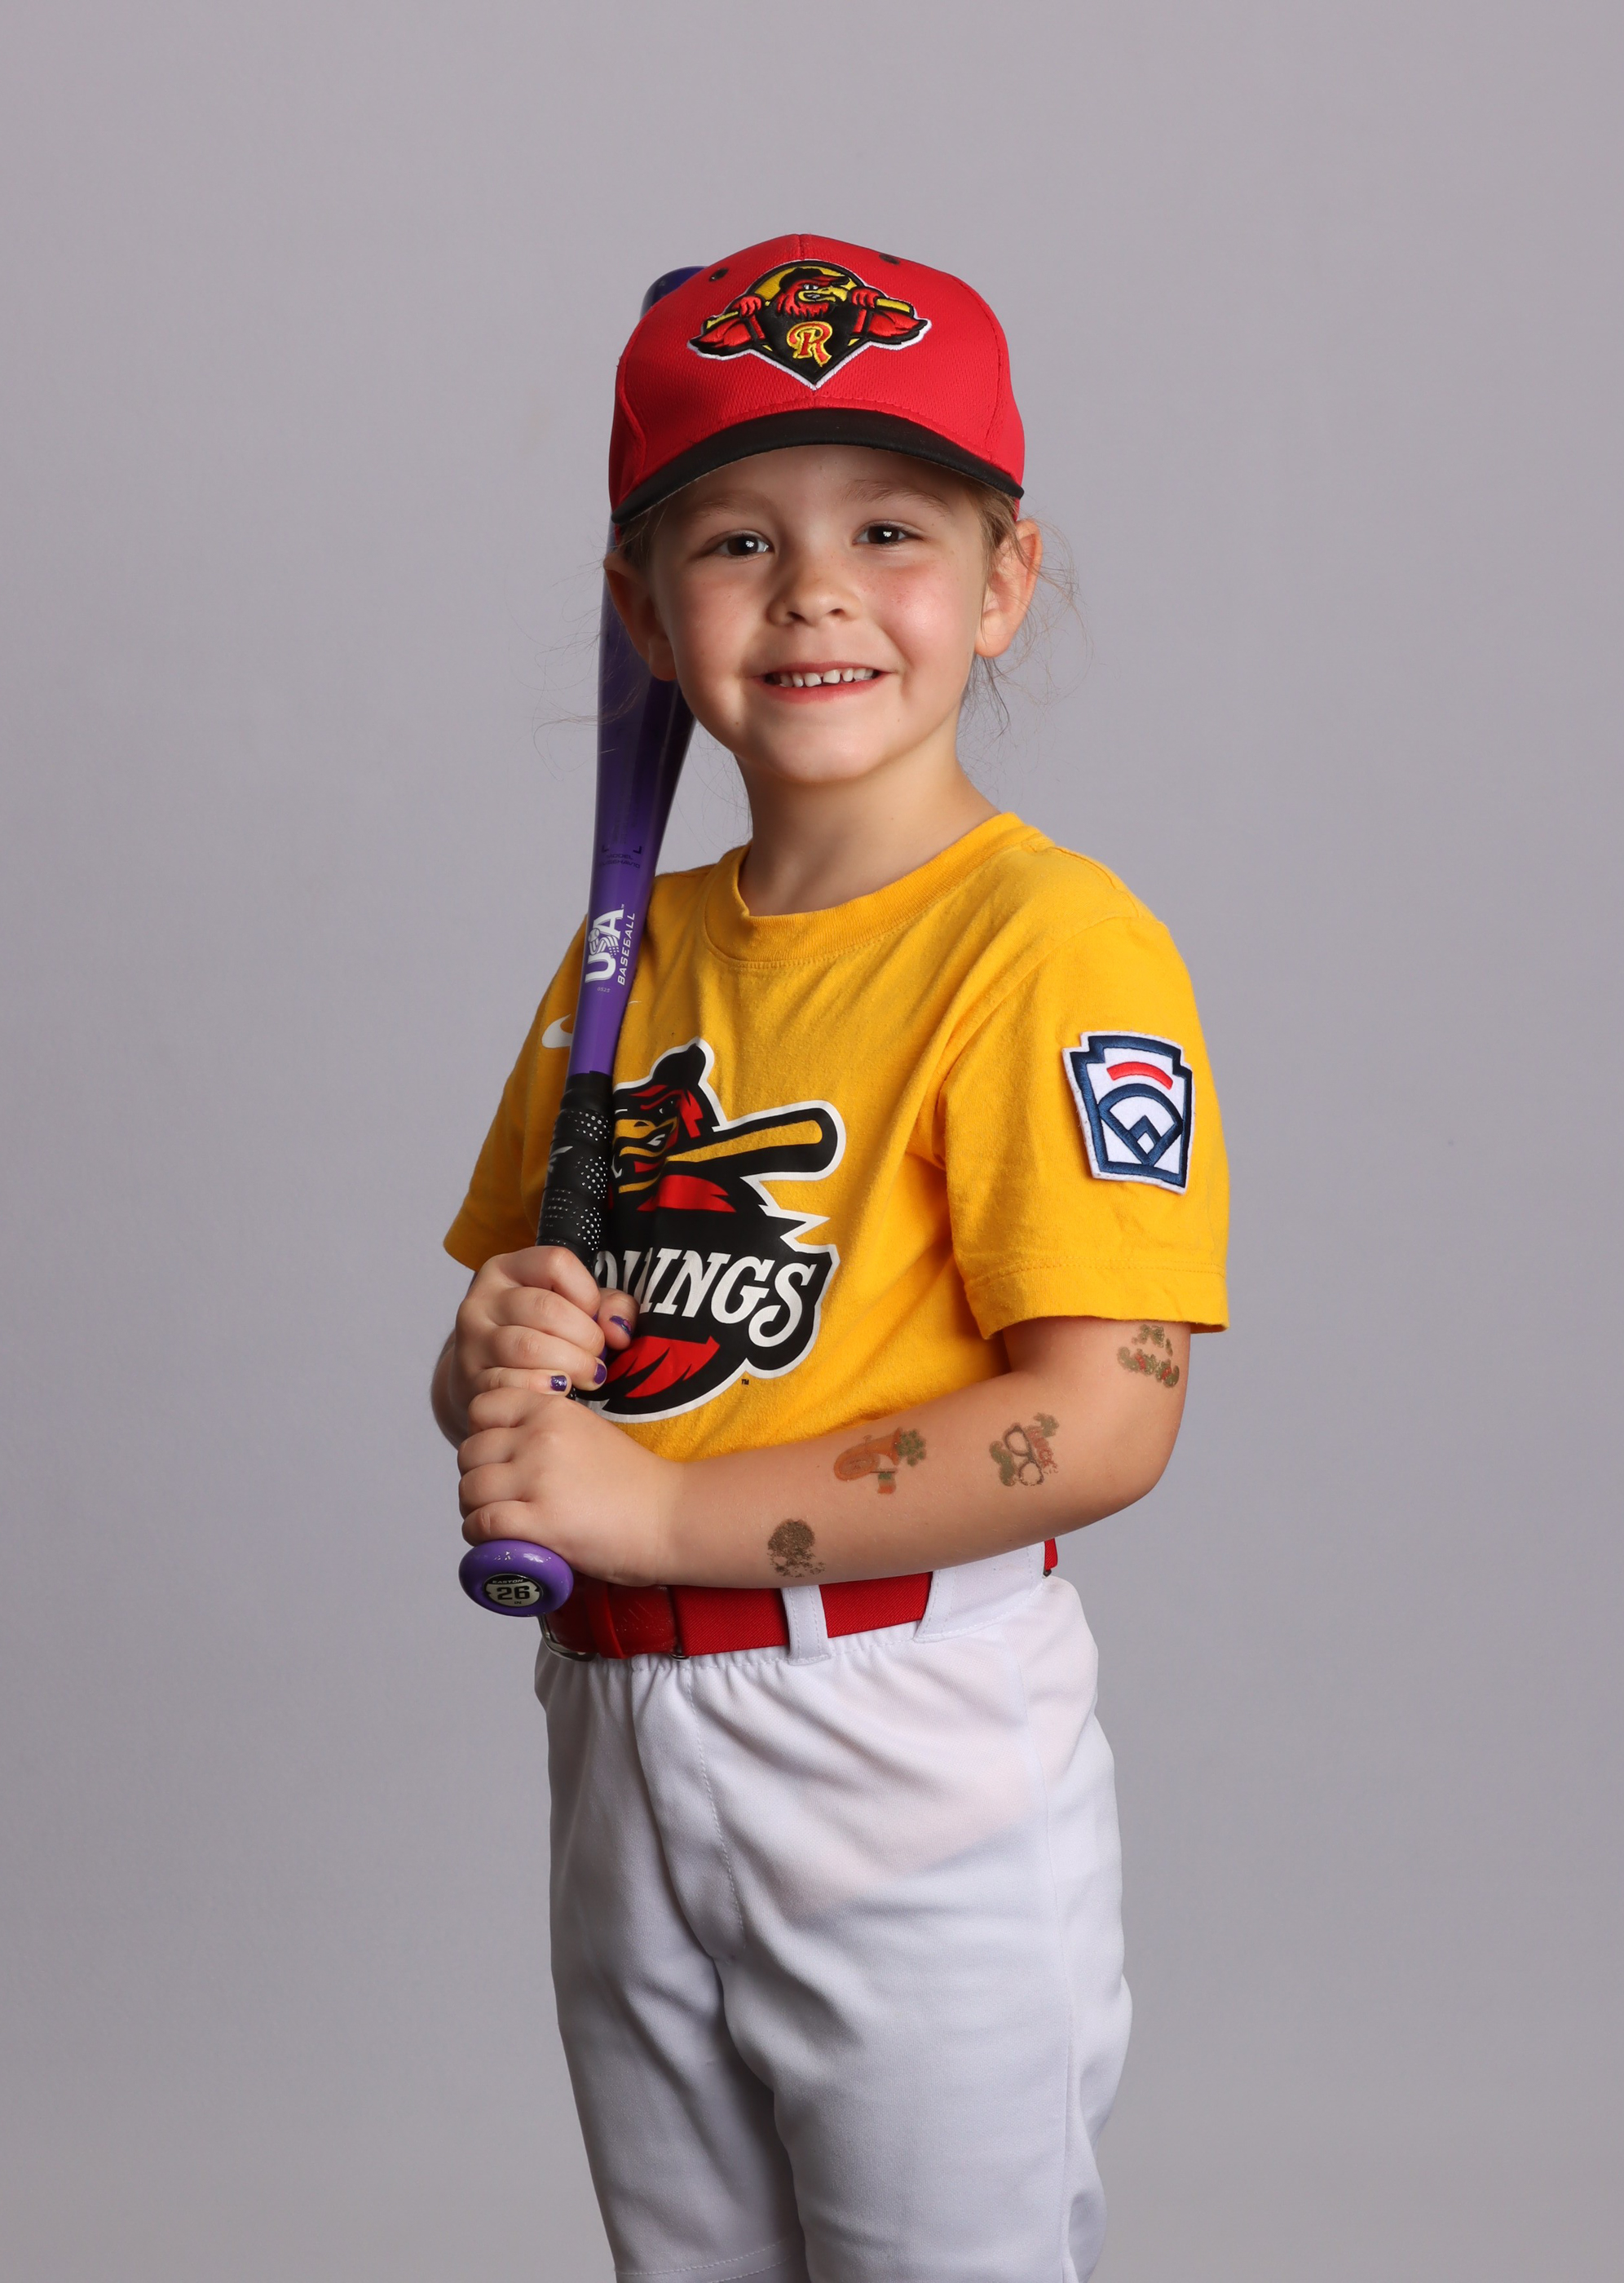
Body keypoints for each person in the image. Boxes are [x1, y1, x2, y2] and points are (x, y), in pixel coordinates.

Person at [431, 234, 1229, 2283]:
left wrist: (658, 1511)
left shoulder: (1049, 947)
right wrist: (495, 1346)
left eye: (888, 527)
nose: (812, 591)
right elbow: (510, 1360)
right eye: (733, 538)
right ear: (643, 610)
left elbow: (1103, 1419)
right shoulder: (632, 952)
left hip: (902, 1738)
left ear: (1003, 579)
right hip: (620, 1728)